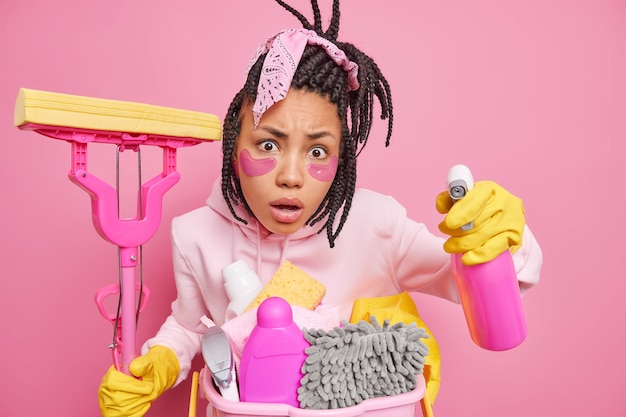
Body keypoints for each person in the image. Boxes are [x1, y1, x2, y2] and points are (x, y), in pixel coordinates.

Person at [97, 1, 543, 416]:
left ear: (341, 161)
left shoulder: (376, 225)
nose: (290, 176)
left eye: (316, 152)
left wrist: (500, 238)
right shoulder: (194, 234)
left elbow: (469, 278)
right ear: (235, 149)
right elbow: (193, 327)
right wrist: (159, 362)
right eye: (268, 144)